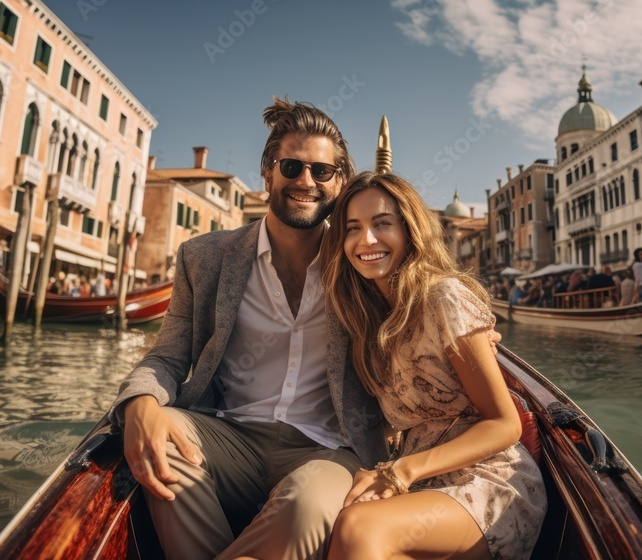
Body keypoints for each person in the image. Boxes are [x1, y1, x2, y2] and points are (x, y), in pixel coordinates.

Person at [109, 98, 383, 559]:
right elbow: (168, 356)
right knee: (163, 444)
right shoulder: (204, 257)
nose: (305, 181)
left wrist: (465, 327)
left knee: (304, 509)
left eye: (322, 172)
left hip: (329, 447)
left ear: (340, 185)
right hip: (228, 434)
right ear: (267, 172)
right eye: (292, 166)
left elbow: (422, 292)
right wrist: (138, 402)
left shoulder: (360, 263)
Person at [321, 172, 546, 559]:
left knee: (358, 526)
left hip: (485, 478)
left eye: (382, 224)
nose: (367, 240)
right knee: (340, 520)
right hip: (419, 482)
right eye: (352, 228)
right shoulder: (370, 319)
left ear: (410, 231)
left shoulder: (444, 297)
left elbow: (505, 424)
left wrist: (401, 472)